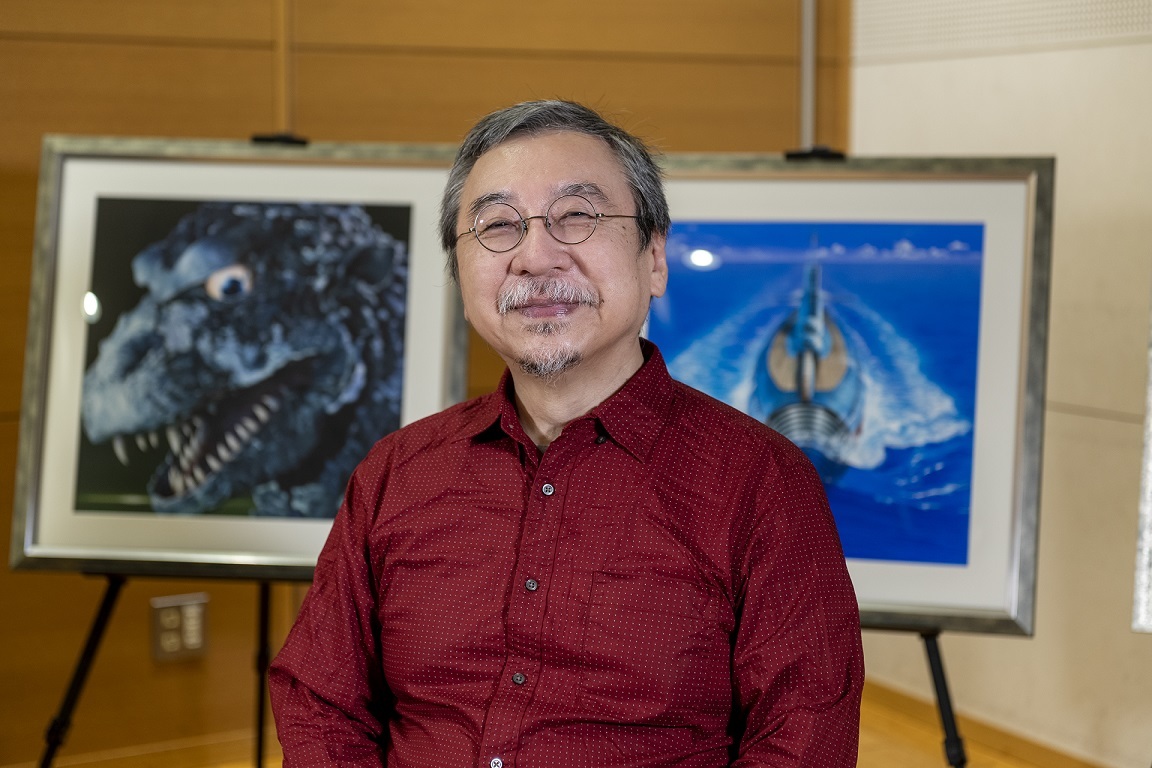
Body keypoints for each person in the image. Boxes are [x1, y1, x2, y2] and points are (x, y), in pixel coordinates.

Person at [269, 100, 864, 767]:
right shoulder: (398, 472)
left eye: (577, 216)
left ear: (654, 258)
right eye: (498, 225)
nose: (535, 256)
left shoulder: (761, 480)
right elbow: (320, 701)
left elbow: (803, 738)